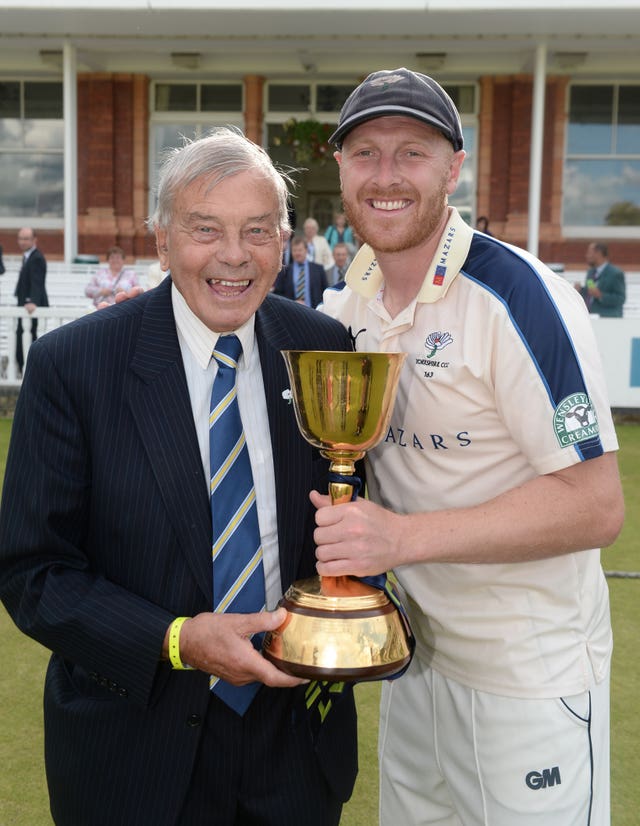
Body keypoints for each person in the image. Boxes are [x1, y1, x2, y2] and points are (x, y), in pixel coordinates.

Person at [0, 128, 357, 826]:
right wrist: (178, 639)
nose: (233, 255)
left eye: (257, 230)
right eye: (206, 230)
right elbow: (32, 572)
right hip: (133, 751)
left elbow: (344, 527)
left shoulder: (322, 349)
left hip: (294, 752)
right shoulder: (75, 366)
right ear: (161, 241)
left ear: (282, 243)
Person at [313, 68, 625, 826]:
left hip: (527, 674)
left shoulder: (518, 296)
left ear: (454, 167)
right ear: (341, 169)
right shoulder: (342, 302)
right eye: (365, 153)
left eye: (411, 153)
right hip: (411, 662)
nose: (386, 176)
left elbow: (596, 505)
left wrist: (402, 538)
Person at [14, 227, 48, 375]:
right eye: (20, 238)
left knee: (30, 337)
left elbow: (37, 282)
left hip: (33, 306)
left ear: (34, 240)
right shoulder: (28, 256)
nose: (22, 242)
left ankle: (30, 370)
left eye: (26, 238)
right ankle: (23, 368)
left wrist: (32, 301)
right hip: (24, 304)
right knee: (21, 335)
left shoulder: (37, 258)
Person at [273, 234, 328, 307]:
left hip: (315, 313)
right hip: (292, 312)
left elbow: (326, 293)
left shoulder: (318, 269)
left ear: (306, 250)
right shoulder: (284, 271)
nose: (297, 253)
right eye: (294, 250)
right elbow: (278, 294)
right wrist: (292, 302)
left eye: (300, 250)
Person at [575, 242, 626, 317]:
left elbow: (620, 299)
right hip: (591, 316)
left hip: (608, 318)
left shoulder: (615, 274)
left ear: (598, 253)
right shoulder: (591, 272)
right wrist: (580, 290)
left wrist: (601, 296)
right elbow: (590, 292)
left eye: (589, 253)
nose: (587, 256)